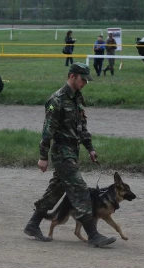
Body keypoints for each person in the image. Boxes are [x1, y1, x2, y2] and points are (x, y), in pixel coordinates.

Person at [23, 63, 116, 248]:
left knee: (55, 191)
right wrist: (43, 156)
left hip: (73, 151)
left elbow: (81, 127)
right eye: (83, 79)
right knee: (81, 189)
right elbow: (47, 131)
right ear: (72, 76)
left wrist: (90, 148)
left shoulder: (77, 98)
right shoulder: (56, 100)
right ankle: (93, 235)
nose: (85, 83)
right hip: (61, 153)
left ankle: (33, 225)